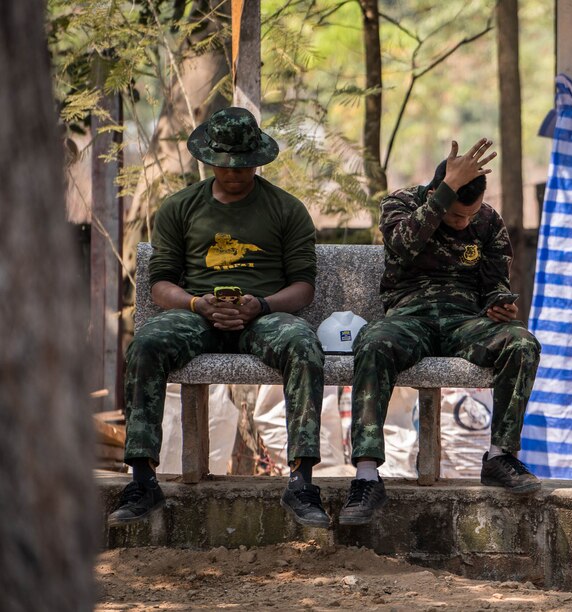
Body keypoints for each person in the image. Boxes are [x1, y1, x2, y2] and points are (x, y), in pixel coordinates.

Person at [108, 108, 331, 529]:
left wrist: (260, 305)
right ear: (208, 160)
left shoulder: (286, 209)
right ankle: (142, 479)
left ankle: (301, 480)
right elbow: (161, 284)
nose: (234, 174)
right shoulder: (180, 207)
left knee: (303, 344)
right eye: (225, 165)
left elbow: (304, 287)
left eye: (244, 166)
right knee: (146, 344)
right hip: (198, 313)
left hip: (263, 315)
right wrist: (198, 304)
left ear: (258, 160)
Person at [341, 138, 542, 525]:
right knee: (374, 342)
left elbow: (494, 279)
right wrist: (443, 196)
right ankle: (367, 476)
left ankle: (501, 456)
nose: (464, 223)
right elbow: (402, 246)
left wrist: (500, 302)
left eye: (471, 215)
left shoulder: (488, 221)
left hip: (464, 322)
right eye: (455, 217)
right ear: (436, 192)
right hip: (408, 317)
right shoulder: (400, 204)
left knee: (522, 343)